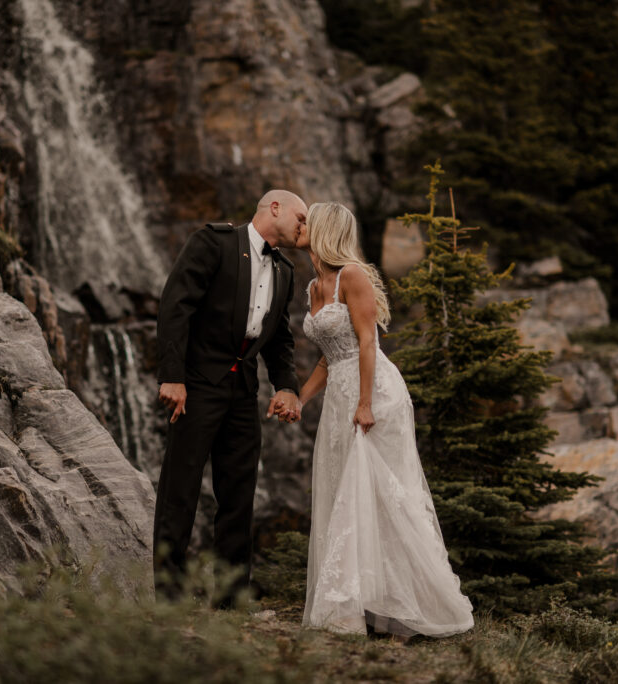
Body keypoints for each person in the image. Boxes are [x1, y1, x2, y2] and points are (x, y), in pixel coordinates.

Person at [295, 201, 474, 638]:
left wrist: (365, 402)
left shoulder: (352, 276)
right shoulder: (314, 286)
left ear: (323, 229)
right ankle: (361, 604)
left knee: (385, 491)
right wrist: (299, 399)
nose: (299, 226)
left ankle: (410, 605)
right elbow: (326, 358)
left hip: (373, 391)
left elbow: (367, 342)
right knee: (346, 489)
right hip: (339, 392)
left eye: (306, 220)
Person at [154, 189, 306, 605]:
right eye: (301, 217)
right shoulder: (213, 243)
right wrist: (173, 376)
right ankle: (169, 596)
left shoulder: (286, 271)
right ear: (274, 208)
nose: (304, 227)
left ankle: (231, 596)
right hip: (197, 386)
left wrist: (287, 386)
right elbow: (175, 307)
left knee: (239, 494)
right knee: (180, 490)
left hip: (243, 392)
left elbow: (280, 339)